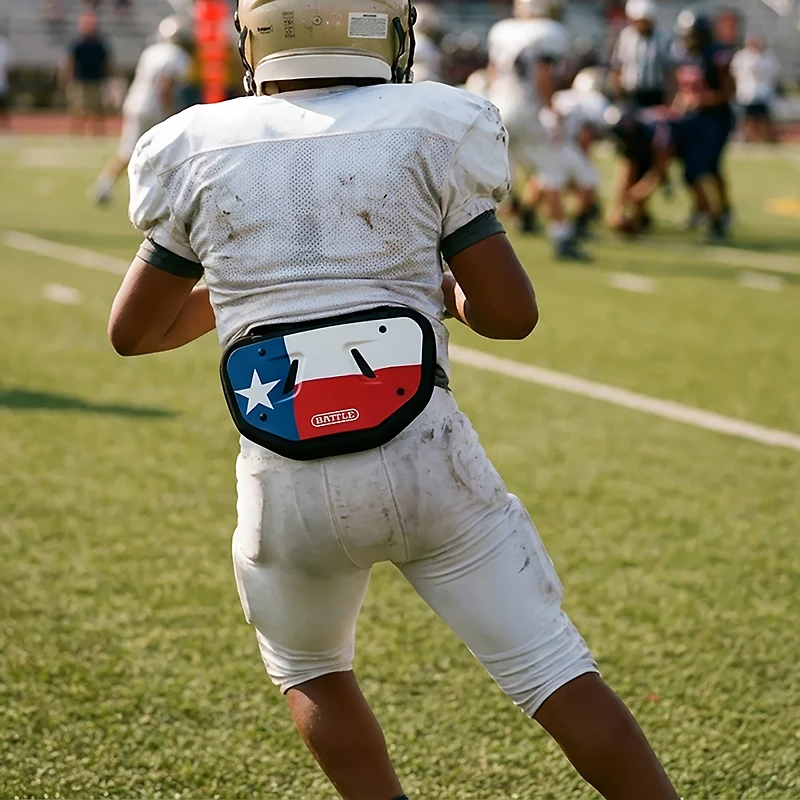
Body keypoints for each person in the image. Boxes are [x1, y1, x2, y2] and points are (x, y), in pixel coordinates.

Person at [107, 1, 682, 798]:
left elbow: (134, 331)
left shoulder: (195, 144)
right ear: (377, 30)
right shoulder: (431, 124)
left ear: (258, 38)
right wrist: (440, 291)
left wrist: (253, 291)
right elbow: (511, 315)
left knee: (311, 669)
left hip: (286, 478)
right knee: (554, 671)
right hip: (426, 460)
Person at [487, 0, 587, 260]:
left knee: (492, 180)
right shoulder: (548, 32)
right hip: (527, 109)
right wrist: (551, 109)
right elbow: (543, 74)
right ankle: (562, 237)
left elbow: (493, 72)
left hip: (497, 108)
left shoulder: (502, 30)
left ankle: (478, 243)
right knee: (551, 172)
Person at [91, 15, 193, 205]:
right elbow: (165, 87)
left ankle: (104, 185)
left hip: (136, 104)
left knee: (129, 151)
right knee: (169, 153)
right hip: (156, 109)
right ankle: (160, 197)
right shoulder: (179, 56)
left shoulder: (151, 51)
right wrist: (173, 112)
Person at [673, 10, 736, 240]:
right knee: (691, 167)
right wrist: (677, 108)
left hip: (716, 118)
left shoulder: (716, 56)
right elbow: (684, 90)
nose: (688, 39)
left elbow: (729, 91)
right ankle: (702, 208)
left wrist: (704, 101)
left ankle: (723, 211)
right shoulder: (686, 56)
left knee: (708, 166)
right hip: (692, 118)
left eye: (692, 35)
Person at [606, 105, 686, 235]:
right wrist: (618, 210)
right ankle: (641, 217)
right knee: (635, 181)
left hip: (687, 139)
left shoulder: (656, 135)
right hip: (652, 146)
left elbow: (658, 174)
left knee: (694, 174)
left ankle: (711, 217)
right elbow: (627, 173)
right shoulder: (628, 137)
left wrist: (634, 196)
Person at [610, 0, 673, 109]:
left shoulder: (662, 38)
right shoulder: (626, 36)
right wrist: (618, 91)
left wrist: (670, 97)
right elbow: (617, 65)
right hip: (631, 93)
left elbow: (670, 70)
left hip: (655, 93)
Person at [60, 12, 112, 136]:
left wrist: (110, 78)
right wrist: (66, 77)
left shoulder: (99, 43)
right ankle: (77, 132)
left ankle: (97, 133)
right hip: (80, 81)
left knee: (97, 109)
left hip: (96, 81)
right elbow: (70, 61)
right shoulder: (77, 42)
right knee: (78, 109)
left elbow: (106, 62)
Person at [731, 36, 780, 143]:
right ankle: (748, 138)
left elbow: (773, 73)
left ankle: (768, 138)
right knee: (747, 118)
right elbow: (736, 73)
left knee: (764, 118)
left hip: (763, 93)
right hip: (746, 94)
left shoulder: (768, 57)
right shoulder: (742, 57)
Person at [0, 32, 13, 131]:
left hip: (1, 81)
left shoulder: (3, 44)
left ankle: (6, 126)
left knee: (3, 105)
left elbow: (9, 63)